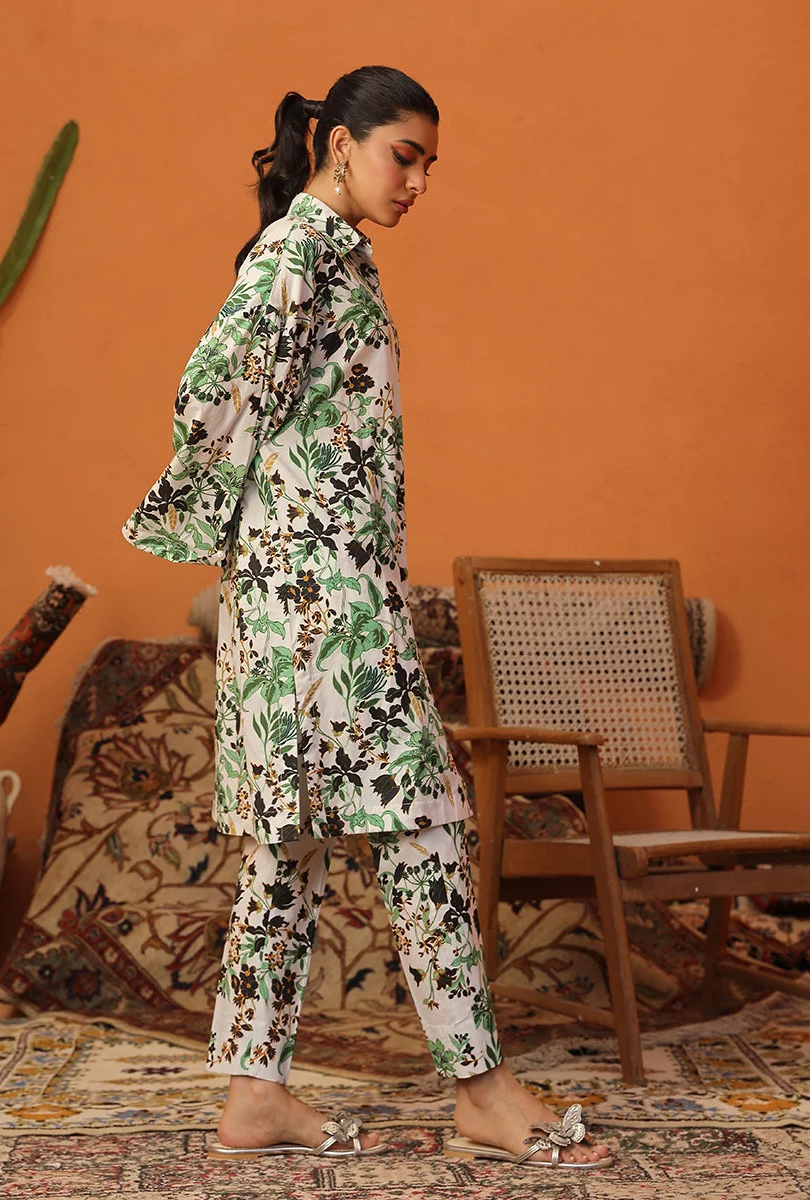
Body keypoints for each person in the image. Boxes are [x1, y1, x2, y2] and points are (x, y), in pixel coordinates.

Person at [123, 65, 611, 1169]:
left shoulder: (333, 254)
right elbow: (210, 390)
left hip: (304, 603)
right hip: (323, 609)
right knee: (425, 822)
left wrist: (268, 546)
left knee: (286, 850)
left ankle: (254, 1097)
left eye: (430, 163)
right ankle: (482, 1090)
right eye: (405, 155)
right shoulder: (298, 254)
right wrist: (258, 524)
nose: (419, 180)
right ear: (338, 143)